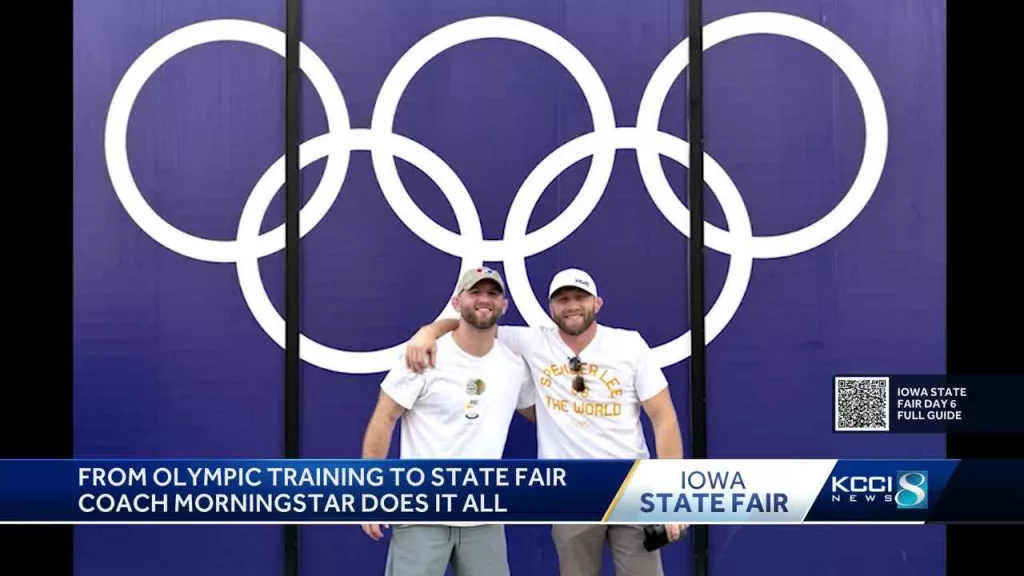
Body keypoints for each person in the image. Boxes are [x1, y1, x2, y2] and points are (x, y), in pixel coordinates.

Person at [404, 267, 687, 576]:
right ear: (551, 308)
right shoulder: (533, 342)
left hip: (631, 485)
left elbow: (664, 419)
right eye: (563, 299)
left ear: (598, 303)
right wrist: (428, 332)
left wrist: (671, 493)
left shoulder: (629, 345)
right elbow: (472, 324)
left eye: (580, 297)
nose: (572, 305)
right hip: (570, 491)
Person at [361, 266, 536, 576]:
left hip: (483, 514)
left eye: (493, 293)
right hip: (422, 512)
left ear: (504, 305)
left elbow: (542, 416)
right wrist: (371, 492)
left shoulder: (513, 366)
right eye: (476, 292)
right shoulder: (423, 355)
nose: (485, 299)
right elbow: (384, 417)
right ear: (457, 302)